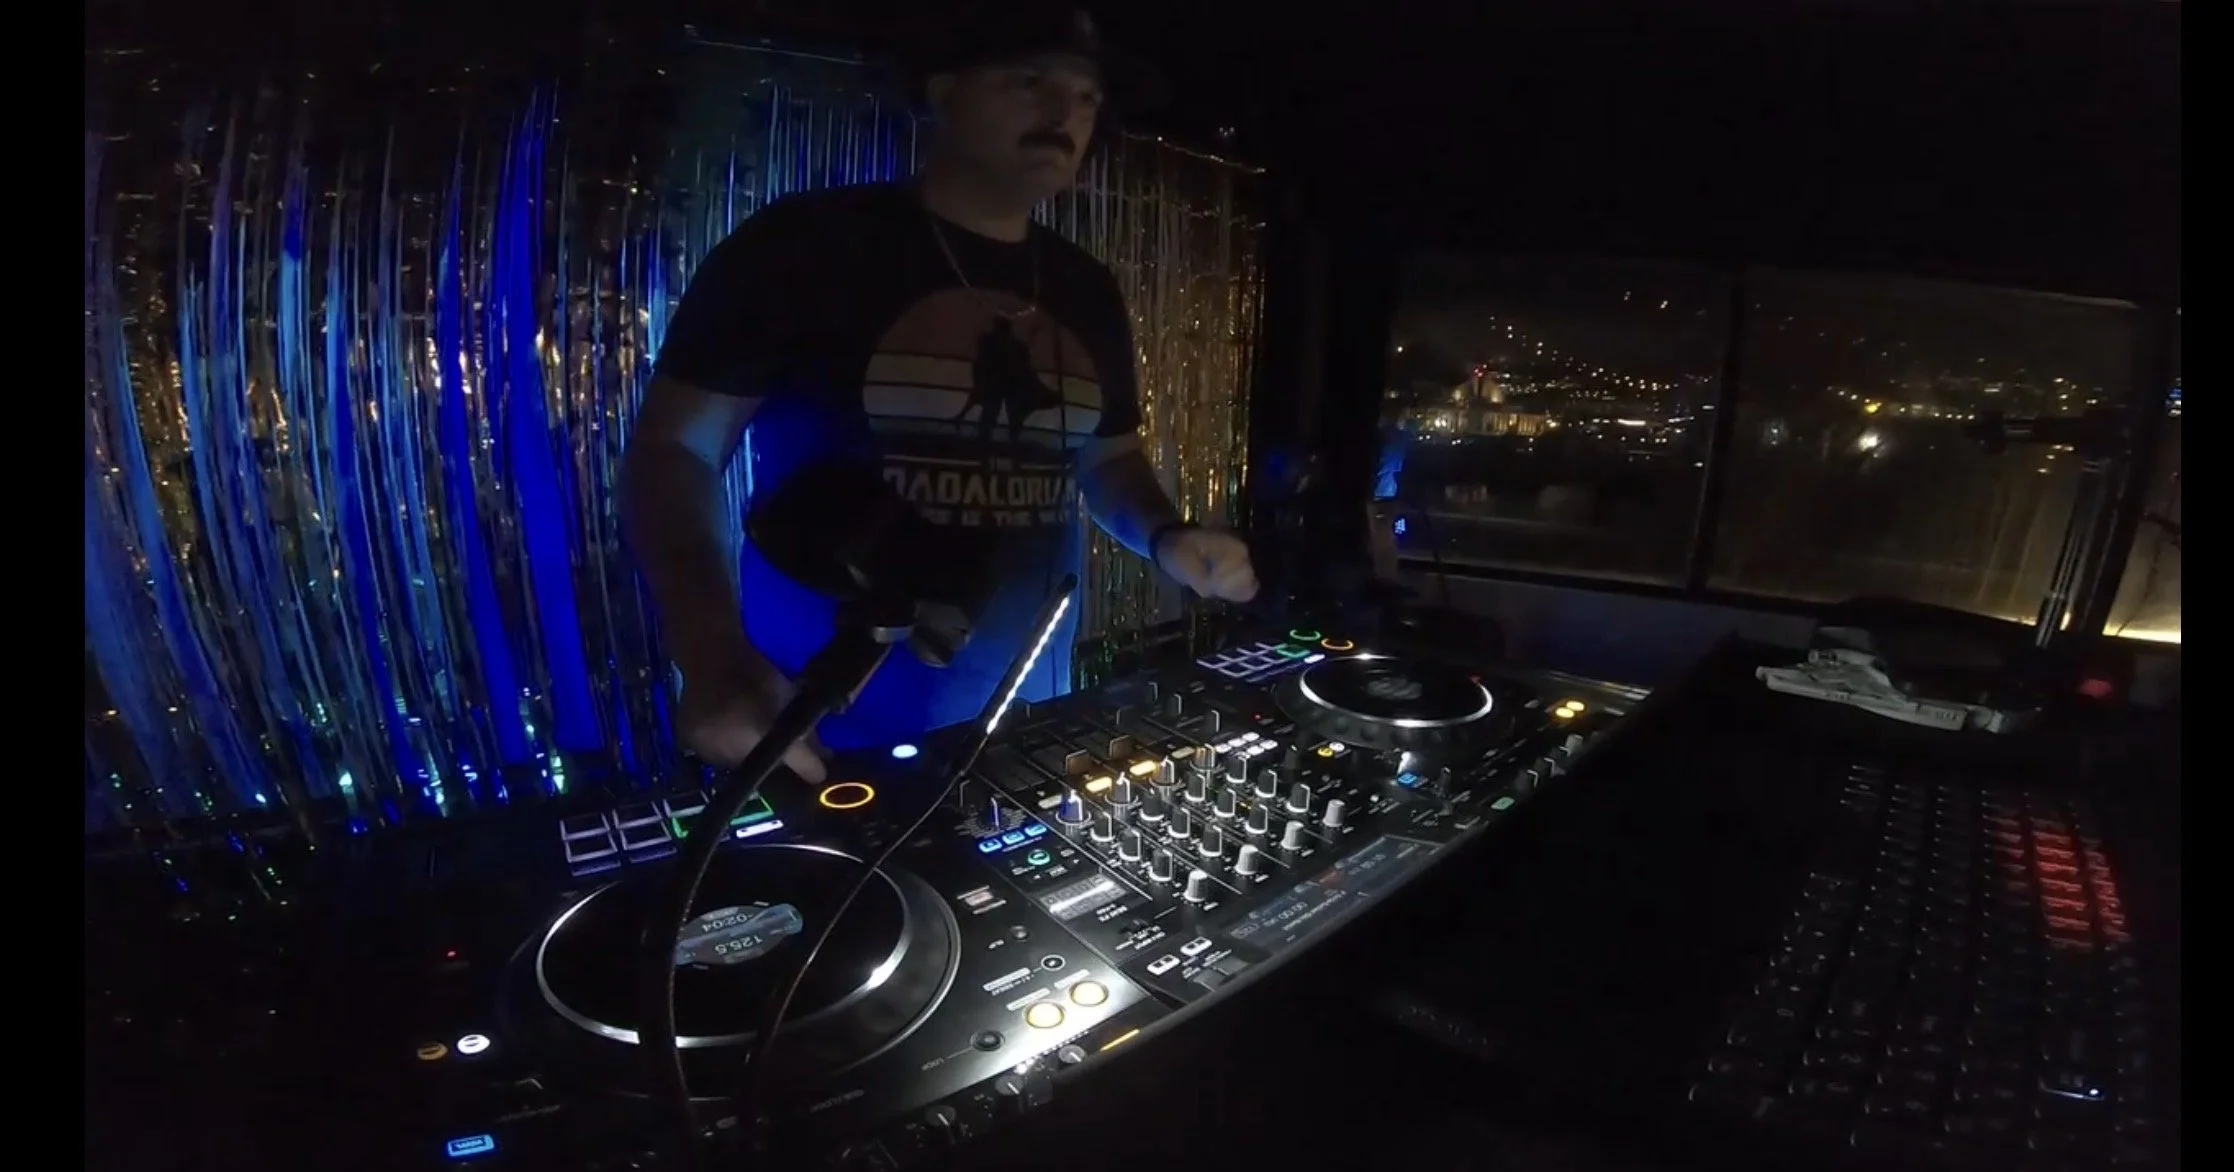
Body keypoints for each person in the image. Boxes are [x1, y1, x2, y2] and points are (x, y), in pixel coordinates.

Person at [621, 3, 1258, 782]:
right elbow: (674, 452)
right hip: (815, 725)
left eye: (1087, 98)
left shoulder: (1084, 288)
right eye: (1032, 82)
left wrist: (1165, 535)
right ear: (944, 90)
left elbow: (1109, 461)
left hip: (1027, 715)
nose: (1066, 114)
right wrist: (710, 652)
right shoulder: (804, 245)